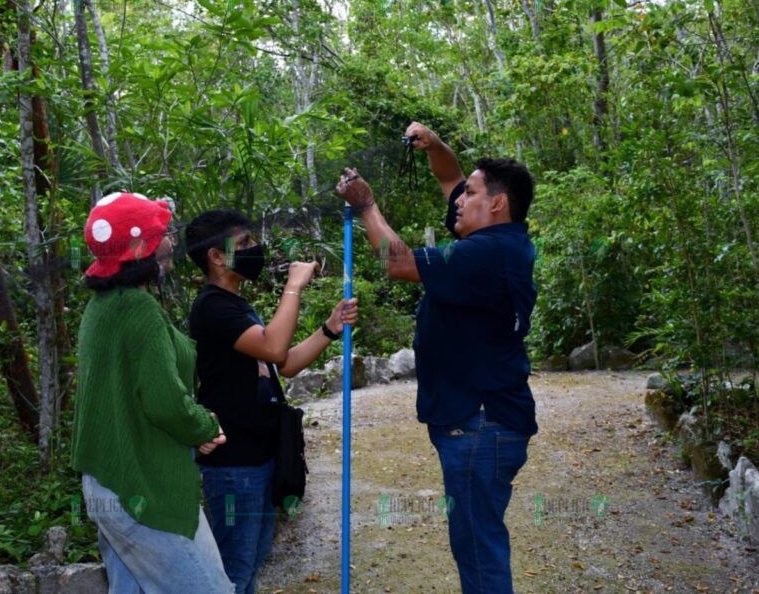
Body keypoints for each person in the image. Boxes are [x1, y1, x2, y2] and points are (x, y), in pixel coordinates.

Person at [335, 122, 538, 594]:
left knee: (478, 548)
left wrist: (366, 206)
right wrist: (437, 146)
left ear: (498, 203)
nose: (458, 200)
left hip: (479, 423)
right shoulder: (499, 241)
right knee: (476, 541)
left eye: (471, 193)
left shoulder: (486, 252)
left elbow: (397, 261)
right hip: (481, 421)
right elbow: (450, 179)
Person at [185, 209, 358, 594]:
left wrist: (329, 329)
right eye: (244, 243)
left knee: (252, 562)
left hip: (260, 456)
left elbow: (284, 362)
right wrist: (293, 286)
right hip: (233, 462)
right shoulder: (212, 307)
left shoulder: (237, 305)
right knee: (235, 569)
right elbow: (274, 344)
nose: (254, 249)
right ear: (216, 256)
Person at [72, 192, 233, 593]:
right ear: (142, 246)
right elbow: (164, 402)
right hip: (141, 485)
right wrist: (204, 426)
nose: (172, 241)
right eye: (163, 233)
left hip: (108, 482)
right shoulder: (136, 309)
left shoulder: (102, 305)